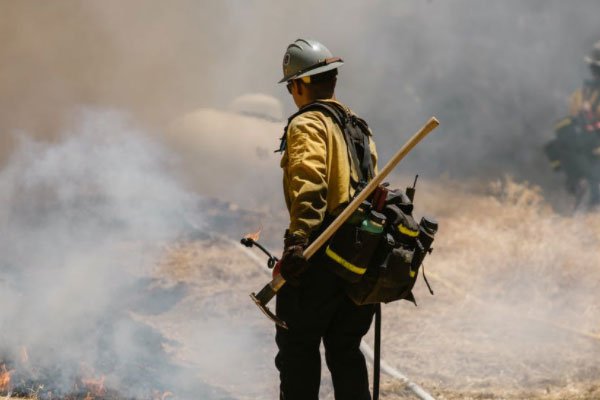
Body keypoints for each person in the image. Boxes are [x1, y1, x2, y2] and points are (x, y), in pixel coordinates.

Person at [274, 38, 378, 400]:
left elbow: (310, 180)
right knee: (346, 352)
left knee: (298, 351)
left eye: (291, 85)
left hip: (318, 256)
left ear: (302, 84)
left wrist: (298, 241)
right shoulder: (358, 126)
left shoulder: (308, 125)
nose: (291, 93)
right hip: (358, 261)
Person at [546, 40, 600, 209]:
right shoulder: (583, 93)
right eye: (595, 68)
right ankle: (580, 188)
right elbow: (572, 120)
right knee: (555, 145)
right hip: (587, 144)